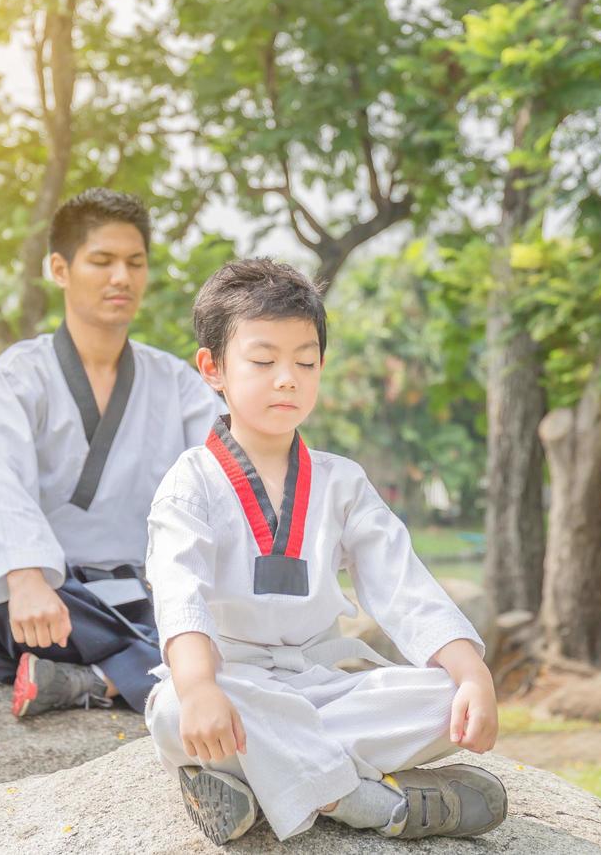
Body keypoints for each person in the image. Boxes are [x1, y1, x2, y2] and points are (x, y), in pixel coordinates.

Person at [142, 258, 506, 844]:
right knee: (170, 708)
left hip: (321, 683)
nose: (287, 378)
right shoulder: (190, 481)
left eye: (304, 362)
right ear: (212, 368)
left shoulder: (341, 483)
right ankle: (363, 800)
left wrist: (471, 674)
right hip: (232, 683)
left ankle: (253, 786)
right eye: (263, 361)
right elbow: (179, 589)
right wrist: (202, 687)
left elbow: (400, 583)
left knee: (445, 700)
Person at [0, 188, 221, 717]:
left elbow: (225, 476)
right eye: (101, 261)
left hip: (137, 593)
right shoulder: (17, 376)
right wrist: (28, 575)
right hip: (49, 604)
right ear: (60, 268)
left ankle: (98, 679)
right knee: (12, 604)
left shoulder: (176, 383)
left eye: (135, 262)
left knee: (207, 611)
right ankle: (153, 672)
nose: (121, 277)